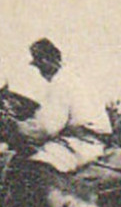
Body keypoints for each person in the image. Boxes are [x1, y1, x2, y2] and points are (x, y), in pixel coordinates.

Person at [11, 37, 112, 174]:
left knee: (33, 168)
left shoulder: (61, 83)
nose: (39, 72)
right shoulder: (77, 77)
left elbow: (47, 128)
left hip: (79, 145)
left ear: (45, 61)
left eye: (39, 65)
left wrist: (16, 127)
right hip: (93, 143)